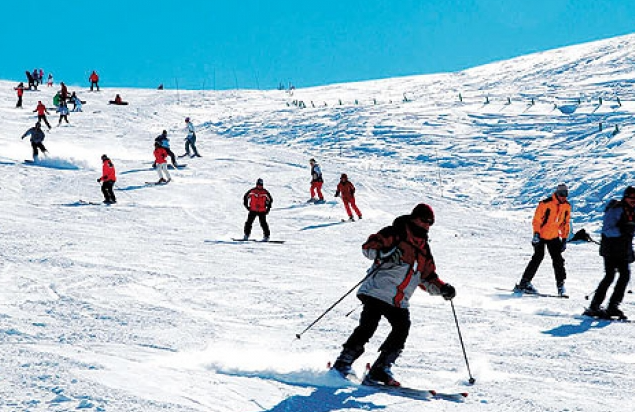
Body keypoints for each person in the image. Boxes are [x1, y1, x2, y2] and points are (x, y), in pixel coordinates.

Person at [331, 204, 456, 386]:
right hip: (377, 291)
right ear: (414, 218)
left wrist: (443, 288)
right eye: (424, 221)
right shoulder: (395, 233)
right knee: (367, 327)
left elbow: (427, 277)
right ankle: (343, 363)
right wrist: (384, 252)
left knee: (401, 329)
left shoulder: (423, 250)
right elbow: (368, 248)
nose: (427, 225)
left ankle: (380, 369)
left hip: (399, 300)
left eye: (431, 223)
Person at [585, 186, 635, 320]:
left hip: (623, 250)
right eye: (631, 198)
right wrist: (622, 230)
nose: (633, 201)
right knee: (610, 276)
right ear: (625, 197)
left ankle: (613, 306)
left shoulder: (632, 211)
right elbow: (607, 230)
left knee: (625, 276)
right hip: (610, 249)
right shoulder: (616, 209)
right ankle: (595, 305)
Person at [514, 183, 571, 296]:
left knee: (558, 260)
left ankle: (561, 285)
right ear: (557, 193)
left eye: (566, 194)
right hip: (541, 235)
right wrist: (536, 234)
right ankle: (524, 283)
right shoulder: (546, 204)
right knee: (538, 257)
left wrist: (564, 239)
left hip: (554, 236)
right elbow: (537, 220)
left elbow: (565, 223)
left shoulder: (566, 206)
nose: (563, 196)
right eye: (561, 194)